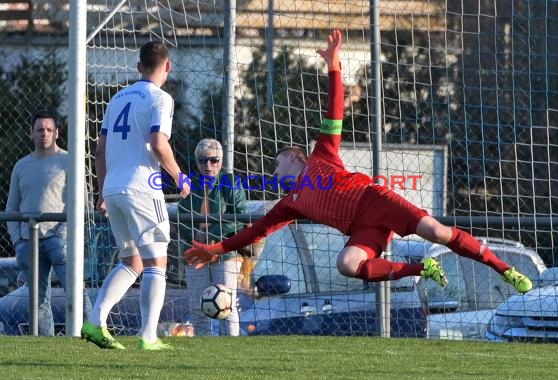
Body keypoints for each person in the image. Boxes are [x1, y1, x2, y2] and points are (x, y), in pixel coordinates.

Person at [185, 30, 533, 295]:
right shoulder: (290, 204)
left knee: (438, 232)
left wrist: (334, 65)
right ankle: (420, 269)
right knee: (348, 264)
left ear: (295, 158)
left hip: (378, 202)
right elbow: (254, 231)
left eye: (279, 164)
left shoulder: (323, 153)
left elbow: (335, 108)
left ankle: (504, 270)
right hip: (363, 229)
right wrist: (215, 248)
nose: (275, 173)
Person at [81, 40, 191, 350]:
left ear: (138, 66)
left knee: (131, 261)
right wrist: (179, 176)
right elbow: (158, 142)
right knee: (157, 261)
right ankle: (148, 336)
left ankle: (95, 320)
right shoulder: (161, 98)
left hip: (114, 188)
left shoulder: (117, 98)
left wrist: (102, 192)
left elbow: (100, 149)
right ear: (167, 67)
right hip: (143, 187)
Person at [5, 109, 92, 336]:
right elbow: (12, 207)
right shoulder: (21, 166)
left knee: (76, 292)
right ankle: (49, 344)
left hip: (59, 239)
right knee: (39, 299)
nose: (44, 133)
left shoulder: (69, 161)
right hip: (28, 241)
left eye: (49, 129)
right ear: (31, 134)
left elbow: (81, 203)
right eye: (39, 129)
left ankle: (92, 335)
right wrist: (17, 240)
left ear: (57, 133)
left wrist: (64, 233)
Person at [178, 138, 252, 336]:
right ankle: (203, 350)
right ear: (196, 162)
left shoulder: (230, 182)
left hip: (225, 252)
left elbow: (240, 216)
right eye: (202, 160)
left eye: (213, 160)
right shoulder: (189, 183)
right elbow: (180, 217)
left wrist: (210, 236)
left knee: (226, 305)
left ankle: (230, 348)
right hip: (195, 252)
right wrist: (195, 236)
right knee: (197, 306)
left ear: (221, 161)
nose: (208, 165)